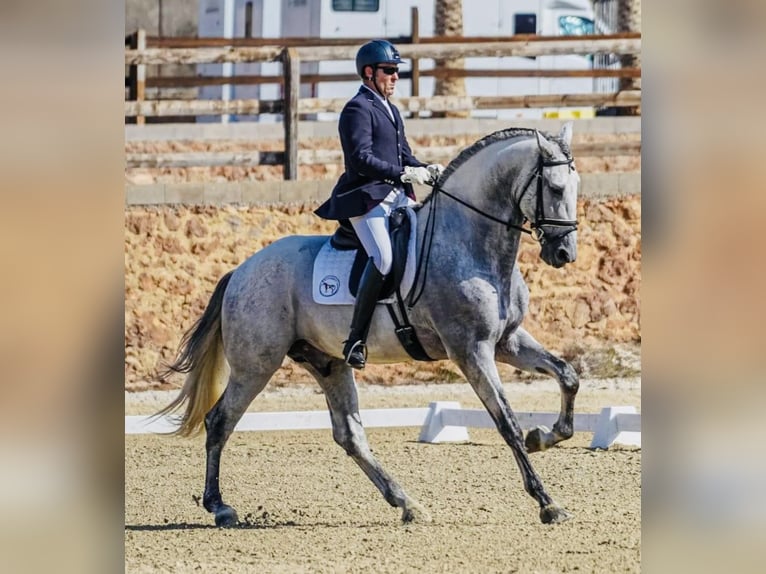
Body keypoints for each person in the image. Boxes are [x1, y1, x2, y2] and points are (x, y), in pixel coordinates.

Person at [315, 39, 444, 370]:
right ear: (369, 73)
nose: (395, 77)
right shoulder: (357, 109)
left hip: (398, 196)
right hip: (367, 198)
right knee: (384, 257)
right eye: (389, 71)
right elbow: (361, 159)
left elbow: (403, 154)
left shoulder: (391, 109)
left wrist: (426, 169)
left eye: (397, 71)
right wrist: (404, 173)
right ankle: (355, 339)